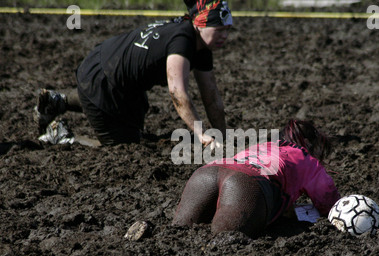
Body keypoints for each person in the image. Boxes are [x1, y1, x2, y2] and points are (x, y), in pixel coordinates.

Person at [34, 0, 232, 147]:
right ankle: (63, 137)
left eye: (228, 30)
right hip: (102, 74)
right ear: (199, 24)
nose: (225, 36)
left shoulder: (202, 45)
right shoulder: (183, 40)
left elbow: (211, 95)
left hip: (120, 77)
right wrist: (201, 133)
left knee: (135, 125)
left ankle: (59, 101)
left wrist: (222, 136)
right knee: (122, 146)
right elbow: (177, 92)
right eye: (219, 29)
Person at [172, 119, 341, 238]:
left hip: (208, 172)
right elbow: (331, 205)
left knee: (176, 233)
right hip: (247, 183)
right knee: (225, 242)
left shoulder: (262, 145)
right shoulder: (309, 161)